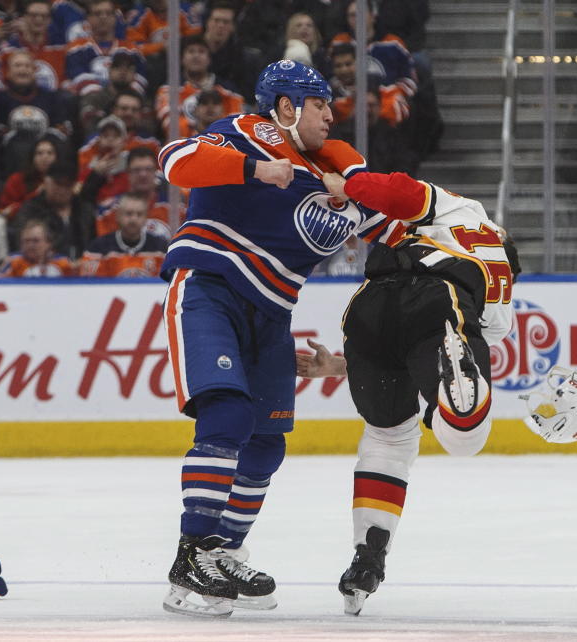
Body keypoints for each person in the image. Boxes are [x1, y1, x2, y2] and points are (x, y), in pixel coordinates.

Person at [158, 60, 400, 617]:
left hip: (271, 315)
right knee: (226, 417)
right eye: (320, 105)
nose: (329, 115)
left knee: (267, 443)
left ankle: (222, 552)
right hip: (210, 287)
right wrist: (254, 169)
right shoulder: (250, 134)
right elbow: (175, 160)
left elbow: (396, 230)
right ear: (287, 107)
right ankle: (191, 557)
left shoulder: (339, 173)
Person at [296, 168, 521, 616]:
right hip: (439, 302)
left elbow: (399, 190)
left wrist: (348, 185)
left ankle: (367, 560)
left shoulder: (465, 210)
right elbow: (425, 351)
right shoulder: (501, 308)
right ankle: (454, 392)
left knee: (389, 437)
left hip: (369, 311)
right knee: (466, 437)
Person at [78, 192, 168, 277]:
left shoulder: (160, 248)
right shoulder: (98, 248)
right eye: (129, 214)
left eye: (139, 214)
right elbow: (89, 284)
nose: (133, 219)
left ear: (146, 218)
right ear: (118, 216)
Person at [0, 219, 75, 277]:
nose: (30, 245)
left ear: (48, 243)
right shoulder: (12, 262)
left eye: (36, 241)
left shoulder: (63, 263)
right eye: (26, 241)